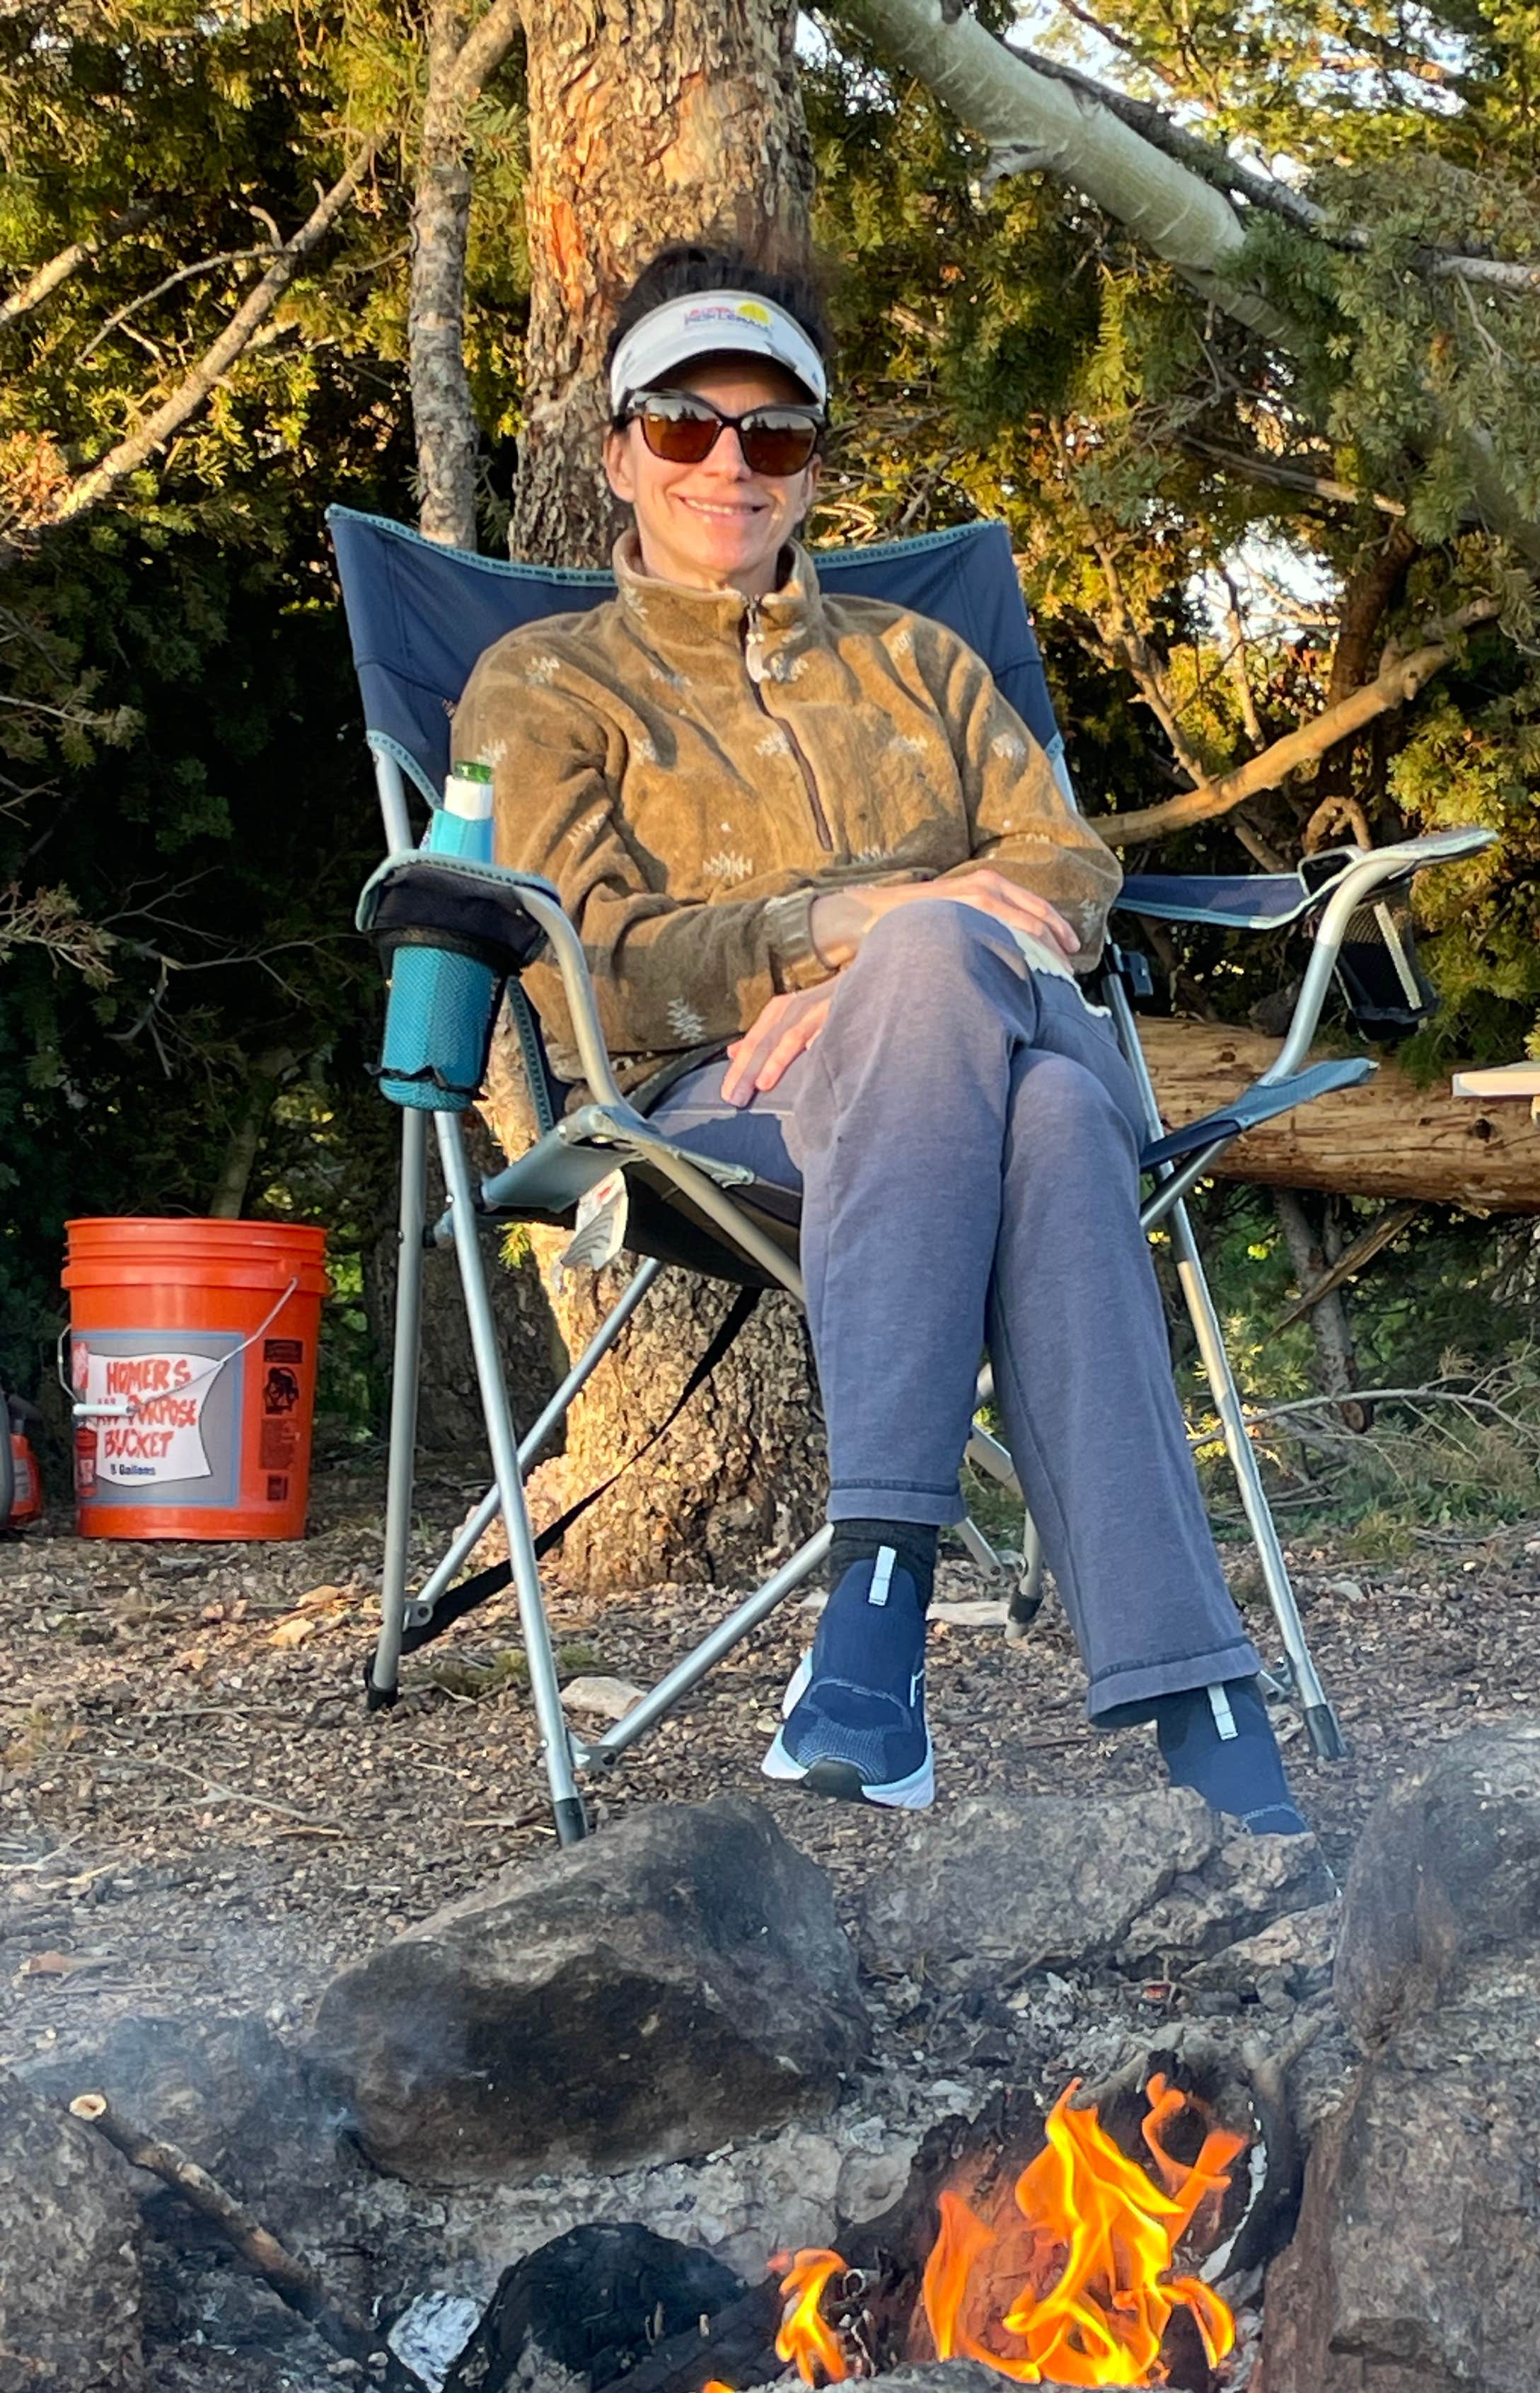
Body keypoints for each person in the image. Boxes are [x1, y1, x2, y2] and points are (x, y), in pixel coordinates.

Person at [453, 241, 1304, 1833]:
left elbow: (1066, 869)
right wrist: (830, 943)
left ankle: (877, 1629)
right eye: (687, 426)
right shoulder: (546, 682)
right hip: (710, 1107)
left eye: (774, 434)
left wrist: (900, 969)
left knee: (973, 1009)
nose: (731, 464)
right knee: (1047, 1116)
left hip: (967, 1025)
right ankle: (1202, 1706)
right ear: (618, 450)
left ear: (815, 463)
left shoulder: (925, 664)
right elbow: (599, 966)